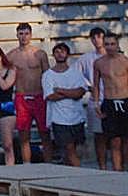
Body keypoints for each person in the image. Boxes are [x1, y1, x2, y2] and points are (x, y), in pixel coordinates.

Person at [7, 23, 53, 165]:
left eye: (26, 33)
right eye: (21, 34)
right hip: (22, 98)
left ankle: (49, 165)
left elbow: (48, 77)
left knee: (45, 134)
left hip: (39, 96)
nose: (24, 37)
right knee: (23, 136)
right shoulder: (11, 56)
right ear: (17, 35)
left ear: (31, 35)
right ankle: (27, 166)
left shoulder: (40, 54)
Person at [42, 43, 88, 168]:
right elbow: (50, 96)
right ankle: (80, 175)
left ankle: (73, 174)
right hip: (59, 119)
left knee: (77, 150)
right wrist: (71, 93)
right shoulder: (48, 75)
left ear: (67, 54)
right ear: (53, 55)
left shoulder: (75, 73)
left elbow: (80, 92)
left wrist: (61, 90)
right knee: (68, 149)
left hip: (77, 117)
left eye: (62, 51)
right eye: (57, 51)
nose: (60, 54)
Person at [93, 34, 128, 171]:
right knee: (114, 140)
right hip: (109, 102)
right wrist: (96, 103)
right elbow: (95, 85)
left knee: (126, 139)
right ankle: (116, 169)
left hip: (125, 101)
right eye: (107, 44)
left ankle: (125, 167)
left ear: (117, 45)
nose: (110, 47)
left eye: (112, 44)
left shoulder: (125, 61)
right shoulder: (99, 63)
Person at [76, 27, 108, 170]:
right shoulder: (86, 58)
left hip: (114, 98)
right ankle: (102, 167)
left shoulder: (115, 56)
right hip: (96, 100)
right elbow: (75, 74)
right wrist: (88, 86)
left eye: (99, 37)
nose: (97, 40)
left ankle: (120, 168)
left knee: (118, 137)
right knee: (99, 136)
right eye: (94, 38)